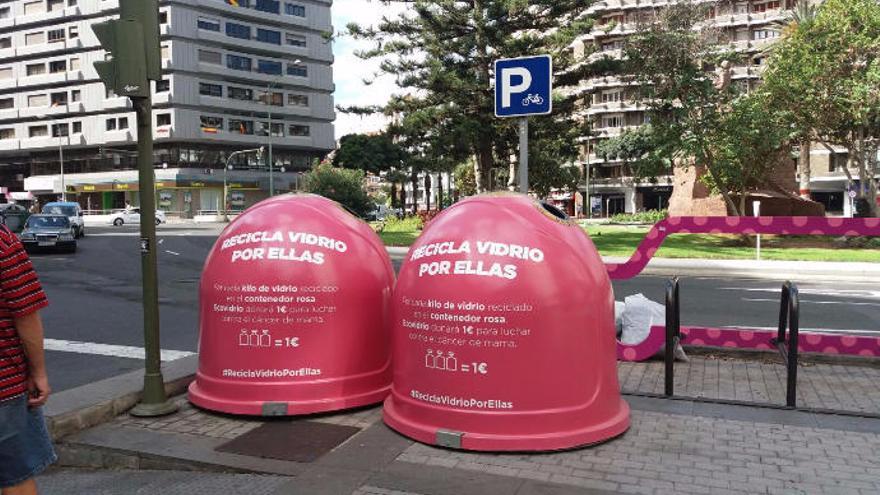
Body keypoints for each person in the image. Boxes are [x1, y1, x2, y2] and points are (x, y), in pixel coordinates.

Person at [0, 224, 54, 495]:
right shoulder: (3, 242)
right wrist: (39, 373)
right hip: (4, 386)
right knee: (15, 477)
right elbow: (26, 312)